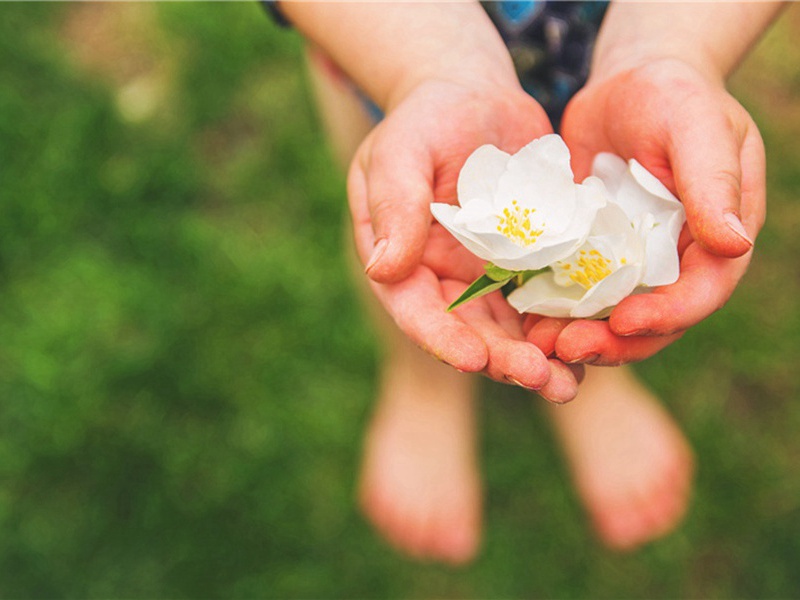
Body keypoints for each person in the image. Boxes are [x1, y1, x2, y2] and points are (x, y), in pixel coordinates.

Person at [271, 1, 781, 563]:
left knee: (608, 250)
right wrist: (425, 68)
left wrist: (672, 47)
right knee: (402, 216)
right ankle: (424, 382)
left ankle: (591, 379)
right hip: (386, 35)